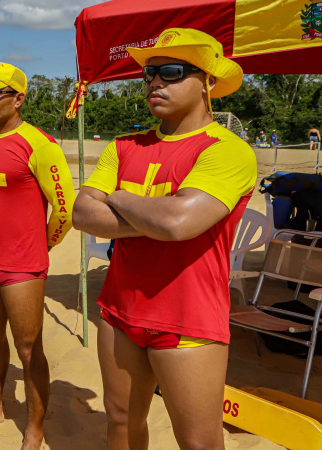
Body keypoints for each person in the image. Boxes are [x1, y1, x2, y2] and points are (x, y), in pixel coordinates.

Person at [72, 28, 257, 450]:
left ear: (208, 81)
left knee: (198, 441)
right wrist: (156, 215)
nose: (156, 82)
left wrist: (117, 197)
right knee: (120, 422)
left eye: (171, 72)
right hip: (120, 311)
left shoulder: (226, 149)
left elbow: (177, 224)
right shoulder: (124, 146)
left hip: (187, 320)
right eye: (150, 73)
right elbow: (82, 213)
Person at [0, 63, 75, 450]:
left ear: (18, 99)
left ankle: (35, 427)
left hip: (23, 268)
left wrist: (43, 246)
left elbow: (66, 209)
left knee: (27, 348)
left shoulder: (39, 144)